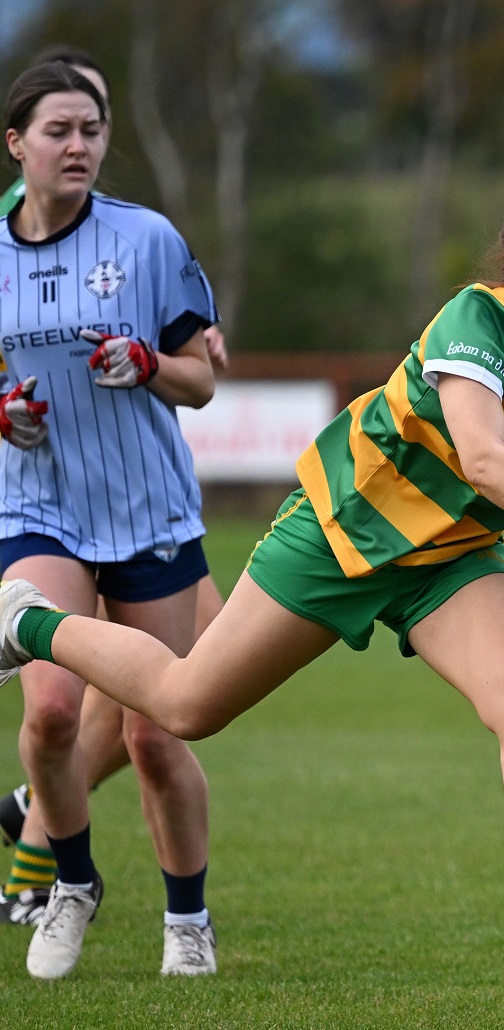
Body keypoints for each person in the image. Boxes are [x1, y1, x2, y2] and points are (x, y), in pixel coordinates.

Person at [0, 170, 504, 983]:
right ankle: (29, 622)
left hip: (450, 557)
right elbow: (481, 457)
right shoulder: (478, 319)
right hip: (342, 531)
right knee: (185, 706)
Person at [0, 61, 222, 979]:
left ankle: (188, 920)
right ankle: (72, 884)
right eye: (59, 130)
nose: (80, 145)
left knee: (154, 733)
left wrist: (150, 364)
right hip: (34, 507)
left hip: (147, 511)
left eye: (92, 128)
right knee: (51, 715)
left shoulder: (149, 240)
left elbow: (202, 381)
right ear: (17, 144)